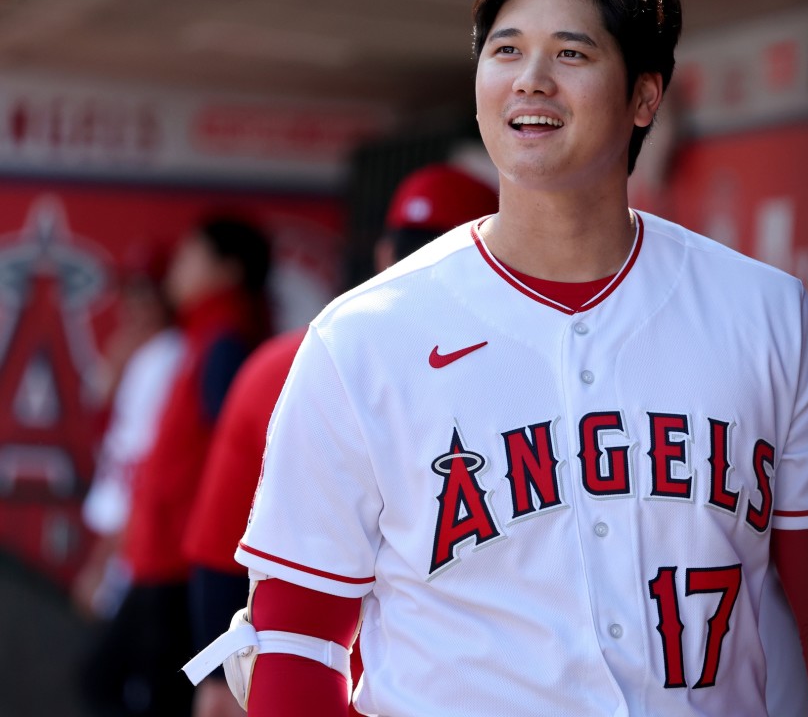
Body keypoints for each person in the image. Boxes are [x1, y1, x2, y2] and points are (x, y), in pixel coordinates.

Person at [187, 0, 808, 716]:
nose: (532, 81)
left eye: (572, 54)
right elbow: (297, 640)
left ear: (646, 94)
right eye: (506, 51)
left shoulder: (768, 316)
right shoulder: (362, 339)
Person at [181, 164, 498, 717]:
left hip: (302, 679)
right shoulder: (520, 378)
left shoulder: (288, 361)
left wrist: (216, 680)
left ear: (382, 254)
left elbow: (217, 553)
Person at [84, 217, 271, 717]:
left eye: (192, 256)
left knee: (130, 690)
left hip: (187, 564)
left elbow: (235, 467)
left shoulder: (226, 344)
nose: (178, 270)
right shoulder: (202, 338)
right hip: (170, 555)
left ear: (228, 270)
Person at [73, 246, 184, 622]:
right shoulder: (139, 353)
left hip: (136, 541)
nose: (135, 305)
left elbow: (141, 472)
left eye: (146, 293)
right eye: (131, 292)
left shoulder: (166, 358)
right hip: (125, 535)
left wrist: (101, 560)